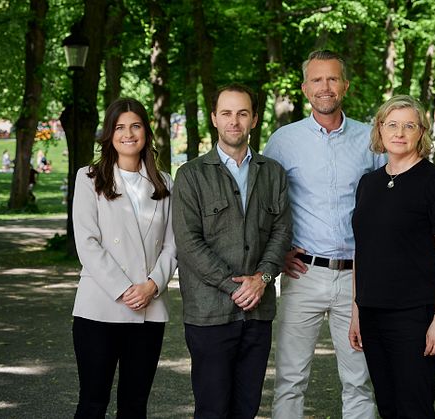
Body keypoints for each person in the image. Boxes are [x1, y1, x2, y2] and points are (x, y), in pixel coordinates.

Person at [263, 50, 384, 419]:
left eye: (332, 79)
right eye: (317, 80)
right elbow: (265, 204)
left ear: (345, 86)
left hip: (357, 279)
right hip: (305, 275)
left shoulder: (371, 139)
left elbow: (387, 202)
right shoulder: (284, 141)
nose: (325, 87)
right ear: (304, 89)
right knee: (290, 378)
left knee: (359, 381)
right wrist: (277, 252)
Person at [172, 83, 292, 418]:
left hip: (257, 313)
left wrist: (262, 277)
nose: (234, 121)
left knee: (246, 407)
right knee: (212, 408)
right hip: (209, 313)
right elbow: (188, 243)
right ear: (214, 118)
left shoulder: (273, 173)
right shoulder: (191, 176)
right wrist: (235, 285)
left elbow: (282, 232)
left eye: (242, 113)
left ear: (254, 119)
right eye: (226, 113)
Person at [349, 95, 435, 418]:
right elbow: (363, 250)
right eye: (392, 125)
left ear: (421, 133)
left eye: (409, 125)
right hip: (371, 313)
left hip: (415, 316)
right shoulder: (368, 184)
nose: (399, 132)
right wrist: (356, 309)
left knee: (414, 406)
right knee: (387, 405)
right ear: (380, 130)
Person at [71, 97, 177, 417]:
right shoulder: (89, 178)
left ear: (145, 131)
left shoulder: (165, 183)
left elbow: (172, 246)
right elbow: (87, 243)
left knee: (135, 406)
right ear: (109, 134)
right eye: (119, 127)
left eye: (135, 125)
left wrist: (151, 286)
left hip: (149, 309)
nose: (128, 133)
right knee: (92, 402)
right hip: (99, 308)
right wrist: (125, 289)